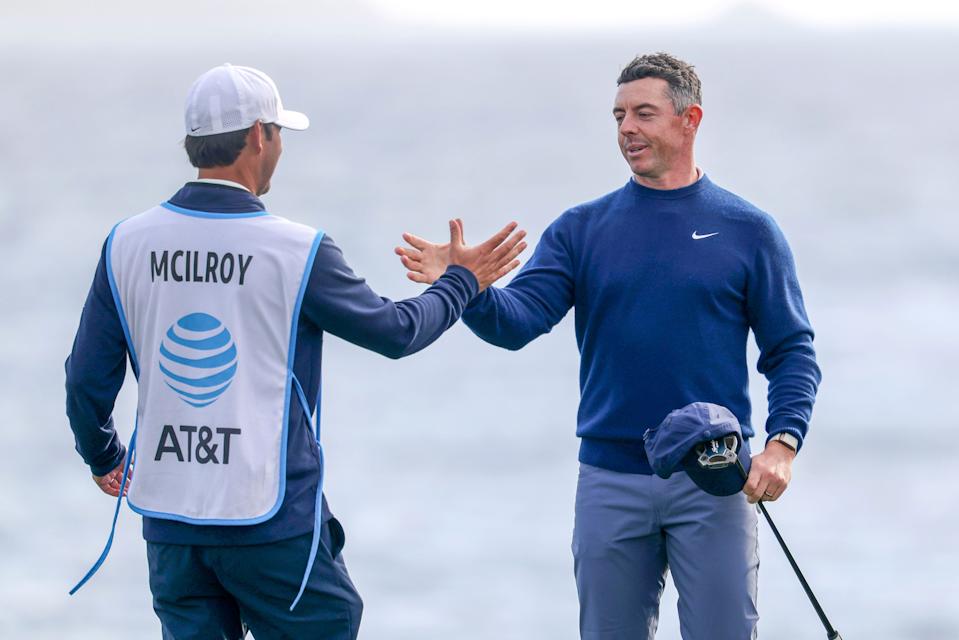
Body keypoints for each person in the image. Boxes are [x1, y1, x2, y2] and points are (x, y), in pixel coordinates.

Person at [64, 63, 526, 640]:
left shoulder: (127, 242)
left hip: (171, 521)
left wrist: (103, 455)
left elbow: (85, 382)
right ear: (260, 135)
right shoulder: (295, 249)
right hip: (269, 520)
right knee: (333, 621)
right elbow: (395, 331)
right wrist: (462, 283)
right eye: (279, 134)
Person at [395, 52, 822, 639]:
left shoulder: (748, 229)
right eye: (618, 116)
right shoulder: (581, 229)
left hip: (715, 475)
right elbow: (517, 323)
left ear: (689, 119)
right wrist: (466, 287)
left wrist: (782, 446)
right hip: (610, 480)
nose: (626, 129)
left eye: (643, 114)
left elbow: (792, 349)